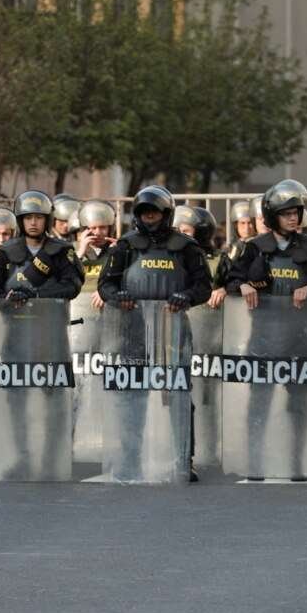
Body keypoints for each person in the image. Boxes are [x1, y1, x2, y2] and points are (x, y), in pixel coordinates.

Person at [226, 179, 307, 480]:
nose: (293, 217)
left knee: (299, 404)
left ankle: (297, 462)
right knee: (259, 403)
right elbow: (228, 281)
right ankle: (255, 463)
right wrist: (243, 285)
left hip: (299, 340)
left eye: (296, 212)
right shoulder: (253, 248)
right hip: (262, 338)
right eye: (285, 212)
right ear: (271, 215)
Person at [97, 187, 212, 481]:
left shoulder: (186, 247)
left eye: (155, 212)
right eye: (145, 213)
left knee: (177, 395)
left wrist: (186, 297)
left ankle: (183, 460)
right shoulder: (125, 246)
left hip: (172, 327)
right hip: (131, 329)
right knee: (132, 397)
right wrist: (118, 296)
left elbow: (204, 286)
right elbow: (105, 285)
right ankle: (130, 458)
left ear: (166, 214)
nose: (150, 218)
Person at [0, 190, 84, 305]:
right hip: (12, 319)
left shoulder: (61, 251)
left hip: (52, 318)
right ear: (21, 220)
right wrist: (7, 300)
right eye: (28, 218)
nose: (33, 223)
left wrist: (36, 294)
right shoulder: (5, 252)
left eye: (39, 217)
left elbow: (72, 286)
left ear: (47, 220)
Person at [75, 200, 118, 308]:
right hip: (77, 308)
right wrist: (80, 252)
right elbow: (65, 276)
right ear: (84, 229)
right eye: (93, 228)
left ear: (110, 228)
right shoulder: (71, 250)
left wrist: (118, 255)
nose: (98, 233)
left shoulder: (117, 249)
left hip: (108, 310)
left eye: (103, 227)